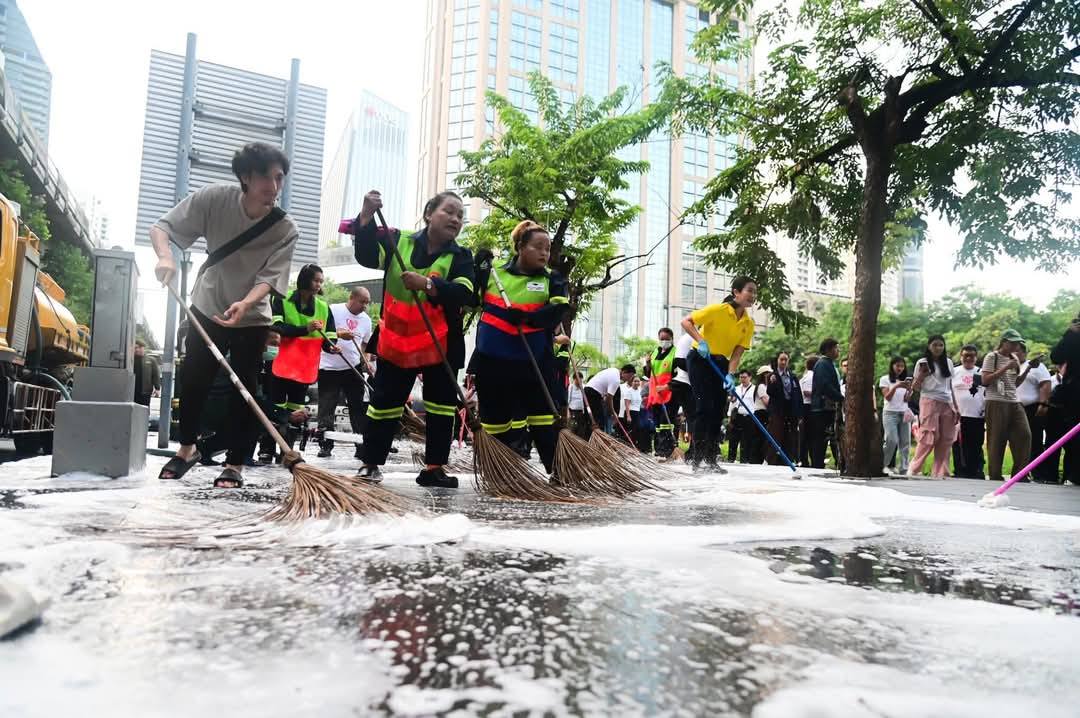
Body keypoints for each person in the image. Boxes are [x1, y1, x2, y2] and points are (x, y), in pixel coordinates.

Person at [152, 142, 299, 488]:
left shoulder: (285, 229)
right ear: (245, 177)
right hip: (207, 304)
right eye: (265, 177)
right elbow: (162, 227)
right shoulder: (214, 199)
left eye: (279, 178)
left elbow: (270, 279)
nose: (274, 186)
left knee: (244, 387)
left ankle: (235, 463)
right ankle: (187, 449)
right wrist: (165, 257)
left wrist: (245, 304)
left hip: (252, 315)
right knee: (194, 379)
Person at [347, 189, 476, 487]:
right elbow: (366, 256)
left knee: (441, 407)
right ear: (429, 213)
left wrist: (428, 285)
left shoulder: (461, 256)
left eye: (460, 216)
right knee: (384, 404)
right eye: (449, 211)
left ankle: (434, 468)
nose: (455, 219)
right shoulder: (398, 241)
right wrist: (365, 217)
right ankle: (370, 463)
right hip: (396, 340)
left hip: (440, 342)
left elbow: (465, 293)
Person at [470, 220, 570, 476]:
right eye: (538, 247)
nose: (544, 253)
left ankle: (558, 473)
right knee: (495, 422)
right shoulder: (495, 275)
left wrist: (528, 318)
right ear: (520, 247)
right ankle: (498, 472)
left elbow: (558, 309)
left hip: (534, 363)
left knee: (543, 421)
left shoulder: (553, 279)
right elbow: (470, 299)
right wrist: (478, 269)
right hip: (492, 362)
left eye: (547, 248)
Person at [680, 276, 757, 472]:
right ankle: (696, 459)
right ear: (736, 292)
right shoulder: (718, 310)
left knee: (718, 411)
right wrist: (701, 340)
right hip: (700, 358)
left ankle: (711, 459)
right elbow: (686, 322)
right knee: (704, 406)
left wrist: (731, 374)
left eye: (755, 292)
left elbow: (737, 353)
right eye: (749, 290)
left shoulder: (748, 323)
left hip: (721, 363)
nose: (753, 295)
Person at [269, 264, 337, 453]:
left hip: (304, 368)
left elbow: (329, 336)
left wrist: (332, 346)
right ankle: (267, 450)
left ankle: (287, 452)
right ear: (305, 279)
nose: (319, 284)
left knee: (296, 412)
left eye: (321, 281)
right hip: (281, 364)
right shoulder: (281, 299)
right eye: (316, 280)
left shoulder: (324, 307)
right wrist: (305, 329)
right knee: (275, 409)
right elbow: (277, 328)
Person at [316, 287, 373, 459]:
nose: (365, 306)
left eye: (367, 303)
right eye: (362, 302)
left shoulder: (366, 320)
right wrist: (340, 334)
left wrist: (366, 360)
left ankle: (361, 446)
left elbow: (365, 344)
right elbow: (320, 332)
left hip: (353, 367)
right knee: (327, 407)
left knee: (358, 407)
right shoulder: (333, 310)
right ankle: (325, 445)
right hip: (329, 367)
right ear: (352, 297)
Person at [981, 329, 1031, 483]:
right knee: (996, 439)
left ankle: (1020, 474)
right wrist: (1005, 368)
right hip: (996, 401)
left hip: (1014, 401)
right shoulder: (992, 357)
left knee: (1024, 435)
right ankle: (995, 475)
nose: (1016, 346)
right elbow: (985, 380)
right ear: (1004, 342)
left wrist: (1028, 368)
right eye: (1013, 343)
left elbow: (1015, 383)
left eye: (1018, 343)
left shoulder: (1014, 358)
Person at [909, 335, 958, 478]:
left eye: (941, 345)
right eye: (935, 345)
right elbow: (915, 387)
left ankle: (940, 472)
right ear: (929, 346)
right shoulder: (922, 362)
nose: (938, 348)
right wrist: (921, 375)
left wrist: (956, 406)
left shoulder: (948, 362)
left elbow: (950, 386)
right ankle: (914, 469)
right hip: (929, 400)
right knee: (928, 437)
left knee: (946, 438)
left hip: (947, 402)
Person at [1047, 314, 1080, 485]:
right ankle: (1072, 475)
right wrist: (1070, 333)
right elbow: (1056, 357)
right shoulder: (1073, 338)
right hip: (1074, 394)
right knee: (1073, 437)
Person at [1015, 343, 1054, 482]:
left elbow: (1045, 384)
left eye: (1017, 351)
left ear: (1024, 353)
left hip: (1032, 408)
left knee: (1034, 441)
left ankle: (1039, 473)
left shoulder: (1036, 366)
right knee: (1017, 442)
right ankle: (1021, 472)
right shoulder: (1009, 367)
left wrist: (1043, 403)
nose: (1014, 354)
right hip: (1014, 409)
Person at [951, 344, 986, 479]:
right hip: (959, 416)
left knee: (976, 444)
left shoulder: (982, 372)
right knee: (958, 445)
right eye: (966, 355)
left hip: (977, 415)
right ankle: (960, 471)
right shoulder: (954, 372)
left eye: (972, 356)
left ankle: (977, 470)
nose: (969, 358)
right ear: (961, 357)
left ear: (976, 357)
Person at [643, 327, 678, 457]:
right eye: (661, 339)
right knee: (657, 425)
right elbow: (648, 374)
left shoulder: (675, 353)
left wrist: (666, 387)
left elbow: (678, 376)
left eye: (666, 339)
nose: (664, 341)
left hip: (669, 394)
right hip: (655, 395)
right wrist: (647, 363)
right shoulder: (654, 352)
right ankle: (658, 450)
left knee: (666, 424)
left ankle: (666, 451)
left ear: (671, 339)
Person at [809, 339, 844, 470]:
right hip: (822, 408)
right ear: (828, 350)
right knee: (820, 440)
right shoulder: (823, 364)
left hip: (827, 407)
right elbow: (825, 386)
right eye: (836, 348)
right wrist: (840, 398)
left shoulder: (829, 364)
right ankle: (817, 466)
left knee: (827, 438)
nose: (838, 351)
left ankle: (828, 464)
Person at [765, 352, 801, 466]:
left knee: (790, 436)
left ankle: (788, 460)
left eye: (786, 359)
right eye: (781, 359)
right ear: (777, 360)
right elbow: (769, 392)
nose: (783, 362)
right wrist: (772, 382)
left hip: (790, 410)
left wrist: (799, 413)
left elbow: (798, 395)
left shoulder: (793, 376)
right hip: (777, 410)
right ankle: (771, 460)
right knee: (776, 434)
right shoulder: (772, 375)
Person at [879, 356, 913, 475]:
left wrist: (909, 390)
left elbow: (906, 399)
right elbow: (887, 397)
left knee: (905, 442)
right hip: (890, 413)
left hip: (904, 413)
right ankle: (882, 465)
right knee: (891, 440)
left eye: (902, 366)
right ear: (892, 366)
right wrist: (897, 386)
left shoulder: (905, 381)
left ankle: (904, 468)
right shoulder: (885, 379)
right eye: (897, 365)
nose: (900, 368)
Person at [585, 365, 637, 435]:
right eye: (629, 376)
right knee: (599, 421)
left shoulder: (613, 370)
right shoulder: (616, 380)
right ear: (624, 372)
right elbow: (609, 399)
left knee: (592, 420)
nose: (629, 379)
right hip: (592, 393)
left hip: (588, 391)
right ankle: (595, 439)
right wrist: (613, 413)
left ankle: (591, 436)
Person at [671, 332, 696, 446]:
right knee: (691, 416)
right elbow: (679, 361)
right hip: (685, 383)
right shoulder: (687, 338)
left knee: (693, 417)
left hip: (693, 384)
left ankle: (694, 447)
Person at [744, 365, 771, 463]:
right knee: (759, 438)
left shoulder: (766, 386)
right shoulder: (761, 386)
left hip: (763, 414)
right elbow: (766, 402)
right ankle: (755, 459)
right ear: (764, 375)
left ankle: (758, 459)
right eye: (768, 373)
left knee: (762, 438)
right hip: (761, 413)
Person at [728, 370, 754, 463]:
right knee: (733, 439)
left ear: (750, 377)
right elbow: (732, 404)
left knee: (746, 440)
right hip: (736, 416)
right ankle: (731, 459)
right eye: (741, 377)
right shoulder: (736, 388)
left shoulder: (754, 389)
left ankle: (744, 460)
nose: (743, 379)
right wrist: (729, 416)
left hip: (748, 417)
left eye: (745, 377)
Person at [799, 356, 817, 467]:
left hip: (805, 407)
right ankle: (809, 460)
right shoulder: (812, 376)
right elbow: (806, 392)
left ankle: (804, 459)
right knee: (811, 435)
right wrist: (819, 394)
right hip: (809, 406)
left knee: (805, 435)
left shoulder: (804, 377)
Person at [133, 340, 160, 407]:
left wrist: (157, 388)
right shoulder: (130, 360)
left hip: (145, 391)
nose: (137, 350)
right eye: (135, 348)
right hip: (132, 391)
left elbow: (155, 375)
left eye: (139, 347)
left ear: (143, 348)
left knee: (145, 409)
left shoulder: (151, 360)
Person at [567, 372, 588, 439]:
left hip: (582, 413)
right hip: (573, 413)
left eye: (581, 380)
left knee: (581, 431)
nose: (580, 382)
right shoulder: (570, 387)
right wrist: (568, 414)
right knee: (573, 431)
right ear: (574, 379)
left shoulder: (584, 387)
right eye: (578, 380)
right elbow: (568, 401)